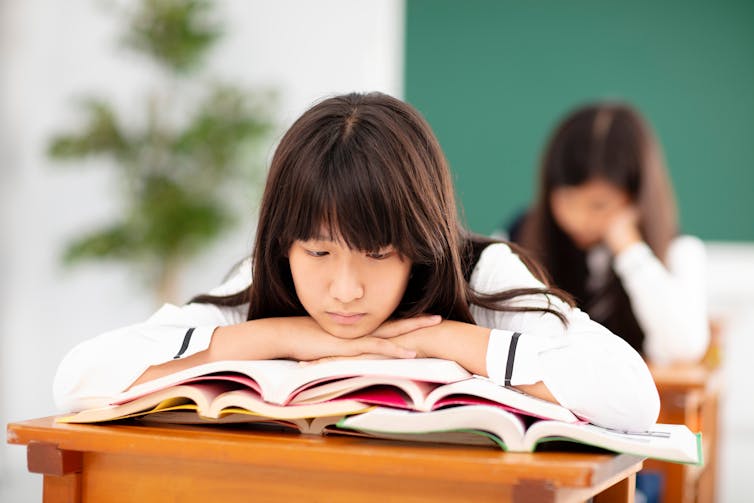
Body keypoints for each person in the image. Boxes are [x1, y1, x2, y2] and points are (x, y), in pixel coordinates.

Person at [54, 92, 659, 431]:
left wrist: (447, 340)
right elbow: (77, 380)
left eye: (377, 254)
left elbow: (634, 398)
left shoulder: (481, 271)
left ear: (420, 246)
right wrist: (285, 335)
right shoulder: (266, 281)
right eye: (318, 251)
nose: (344, 289)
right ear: (283, 243)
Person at [509, 102, 709, 365]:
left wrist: (631, 250)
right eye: (567, 200)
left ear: (636, 199)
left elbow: (683, 348)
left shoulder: (679, 251)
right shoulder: (517, 238)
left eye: (599, 205)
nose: (579, 219)